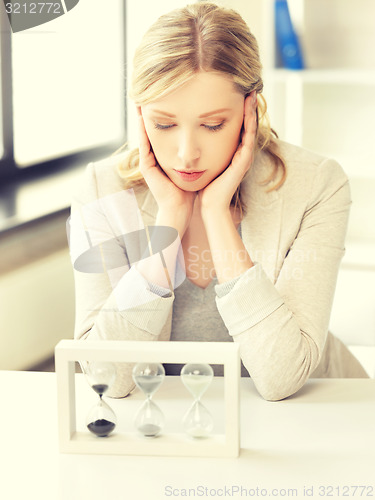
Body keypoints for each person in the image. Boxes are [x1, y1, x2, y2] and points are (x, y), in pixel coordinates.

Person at [68, 1, 368, 401]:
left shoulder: (316, 185)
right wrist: (171, 218)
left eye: (212, 125)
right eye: (164, 124)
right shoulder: (100, 189)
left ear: (251, 109)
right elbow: (108, 376)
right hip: (174, 429)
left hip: (317, 419)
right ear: (138, 113)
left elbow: (282, 378)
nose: (185, 154)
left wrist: (216, 214)